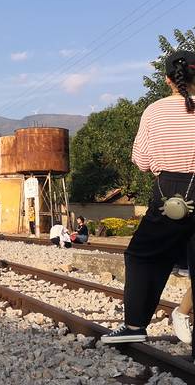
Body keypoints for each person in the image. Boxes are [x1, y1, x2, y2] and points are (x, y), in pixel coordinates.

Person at [101, 50, 195, 347]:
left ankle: (134, 325)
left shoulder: (154, 111)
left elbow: (140, 160)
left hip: (169, 191)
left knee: (142, 256)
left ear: (168, 79)